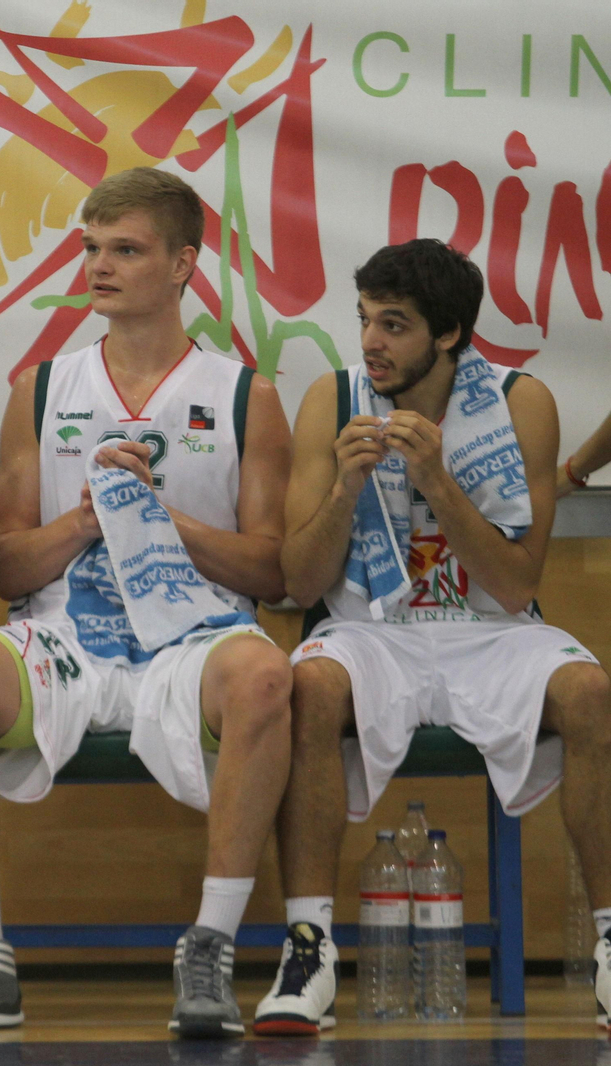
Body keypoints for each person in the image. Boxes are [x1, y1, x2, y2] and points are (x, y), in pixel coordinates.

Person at [0, 167, 294, 1039]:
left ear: (184, 264)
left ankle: (211, 949)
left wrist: (162, 521)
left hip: (193, 638)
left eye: (126, 250)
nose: (100, 266)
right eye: (91, 248)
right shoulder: (42, 390)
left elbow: (273, 572)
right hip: (70, 636)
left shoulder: (243, 394)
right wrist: (84, 521)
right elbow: (3, 568)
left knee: (264, 675)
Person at [260, 237, 611, 1035]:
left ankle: (610, 941)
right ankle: (308, 944)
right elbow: (301, 581)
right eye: (365, 321)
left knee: (590, 691)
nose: (372, 343)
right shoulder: (332, 397)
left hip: (489, 627)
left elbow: (520, 584)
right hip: (372, 626)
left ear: (449, 334)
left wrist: (438, 484)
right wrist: (347, 487)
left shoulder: (523, 402)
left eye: (395, 325)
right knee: (307, 685)